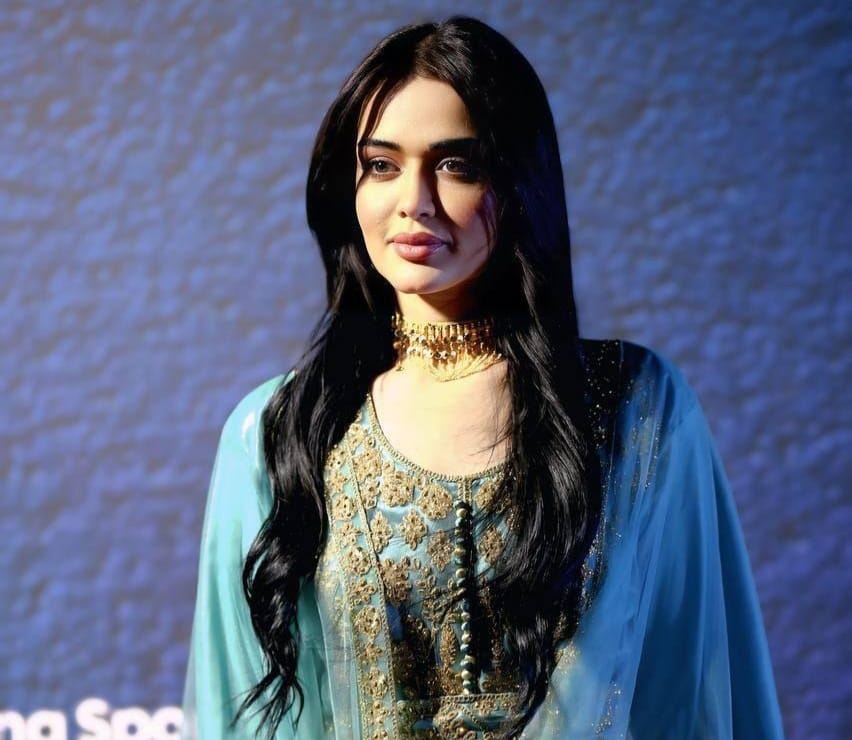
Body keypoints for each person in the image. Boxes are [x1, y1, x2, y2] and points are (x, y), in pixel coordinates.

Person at [181, 16, 784, 739]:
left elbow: (698, 695)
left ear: (519, 183)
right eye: (381, 165)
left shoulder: (635, 407)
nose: (414, 201)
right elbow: (240, 715)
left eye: (456, 166)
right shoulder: (280, 431)